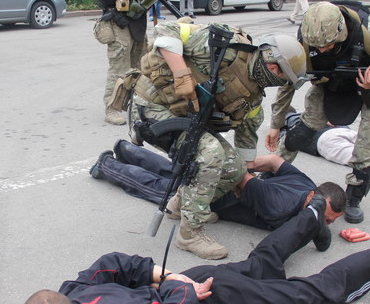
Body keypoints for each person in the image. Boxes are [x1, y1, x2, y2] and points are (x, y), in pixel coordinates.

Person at [24, 198, 370, 304]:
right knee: (260, 265)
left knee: (312, 295)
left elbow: (122, 267)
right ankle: (312, 215)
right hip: (197, 286)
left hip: (206, 295)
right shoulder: (70, 291)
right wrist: (171, 280)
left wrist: (170, 283)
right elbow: (112, 265)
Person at [130, 20, 307, 259]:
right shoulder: (225, 47)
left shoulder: (252, 99)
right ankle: (190, 233)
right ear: (267, 55)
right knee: (211, 152)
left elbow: (246, 142)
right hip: (151, 106)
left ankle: (182, 205)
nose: (275, 77)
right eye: (276, 69)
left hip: (185, 119)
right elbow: (165, 29)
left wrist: (248, 180)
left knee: (234, 168)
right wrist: (181, 73)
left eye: (281, 77)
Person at [266, 2, 370, 224]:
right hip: (330, 82)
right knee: (303, 131)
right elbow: (289, 81)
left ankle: (353, 198)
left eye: (328, 46)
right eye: (317, 47)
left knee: (367, 144)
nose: (321, 51)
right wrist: (276, 123)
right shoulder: (305, 38)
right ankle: (271, 173)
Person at [89, 140, 345, 241]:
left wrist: (249, 165)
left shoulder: (307, 186)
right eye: (326, 216)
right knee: (157, 188)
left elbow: (276, 162)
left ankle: (126, 149)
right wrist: (244, 170)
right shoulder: (279, 206)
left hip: (220, 178)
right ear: (314, 197)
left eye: (330, 221)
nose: (325, 222)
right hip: (215, 198)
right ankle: (106, 164)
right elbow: (244, 178)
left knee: (172, 172)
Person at [94, 0, 156, 125]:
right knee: (119, 67)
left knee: (140, 66)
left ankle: (137, 105)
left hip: (136, 19)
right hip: (117, 20)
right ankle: (112, 109)